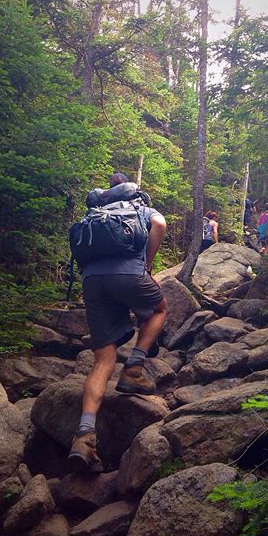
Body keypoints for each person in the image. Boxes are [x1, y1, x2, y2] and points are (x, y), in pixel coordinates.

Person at [68, 172, 167, 473]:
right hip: (129, 275)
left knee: (102, 360)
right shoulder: (139, 206)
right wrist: (147, 264)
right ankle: (134, 368)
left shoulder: (96, 212)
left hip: (93, 281)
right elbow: (160, 224)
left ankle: (84, 436)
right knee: (159, 309)